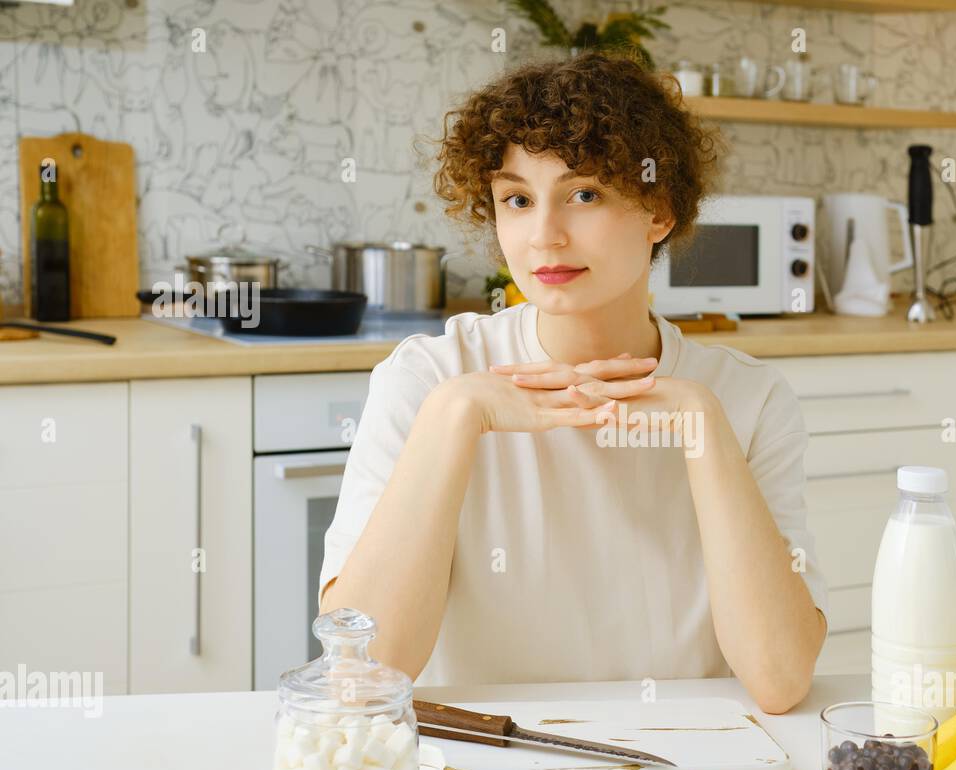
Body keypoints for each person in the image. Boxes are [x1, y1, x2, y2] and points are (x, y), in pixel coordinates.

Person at [318, 51, 828, 713]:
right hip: (480, 766)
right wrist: (456, 414)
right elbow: (360, 679)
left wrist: (702, 426)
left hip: (690, 765)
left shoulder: (750, 401)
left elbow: (780, 679)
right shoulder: (430, 379)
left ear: (660, 211)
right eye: (517, 200)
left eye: (584, 194)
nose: (544, 237)